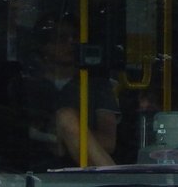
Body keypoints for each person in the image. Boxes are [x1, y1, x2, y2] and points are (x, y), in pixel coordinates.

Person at [24, 14, 119, 167]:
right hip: (29, 176)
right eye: (61, 38)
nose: (71, 43)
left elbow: (108, 143)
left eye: (75, 37)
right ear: (44, 46)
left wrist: (67, 131)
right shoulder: (24, 86)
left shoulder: (98, 86)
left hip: (85, 176)